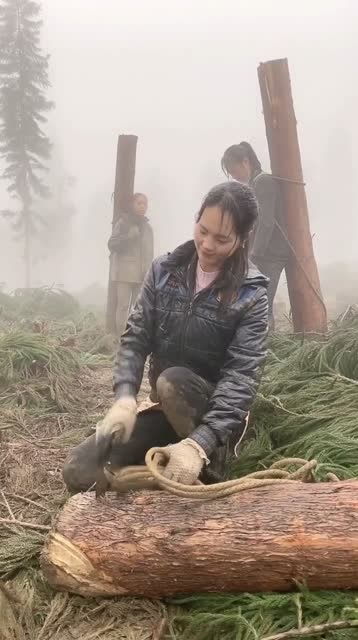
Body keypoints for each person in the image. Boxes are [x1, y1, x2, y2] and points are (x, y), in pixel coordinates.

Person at [63, 182, 268, 493]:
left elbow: (241, 378)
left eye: (222, 239)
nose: (208, 244)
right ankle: (171, 445)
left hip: (212, 415)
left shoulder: (251, 295)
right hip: (164, 409)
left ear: (242, 240)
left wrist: (200, 442)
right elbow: (136, 338)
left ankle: (213, 458)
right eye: (203, 230)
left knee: (172, 381)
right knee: (80, 471)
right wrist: (125, 396)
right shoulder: (164, 271)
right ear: (197, 219)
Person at [221, 142, 290, 328]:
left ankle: (267, 348)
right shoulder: (254, 183)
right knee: (257, 304)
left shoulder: (263, 182)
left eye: (234, 170)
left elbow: (266, 222)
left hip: (271, 254)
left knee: (261, 305)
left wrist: (254, 254)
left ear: (245, 162)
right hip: (264, 253)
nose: (234, 176)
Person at [108, 192, 154, 336]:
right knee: (122, 306)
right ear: (132, 205)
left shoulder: (148, 228)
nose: (142, 206)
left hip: (142, 273)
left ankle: (132, 339)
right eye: (139, 203)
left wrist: (149, 271)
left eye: (144, 204)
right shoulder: (123, 223)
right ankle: (120, 339)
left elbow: (150, 253)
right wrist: (129, 237)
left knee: (137, 309)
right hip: (124, 272)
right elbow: (112, 244)